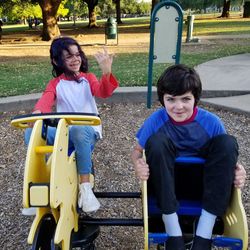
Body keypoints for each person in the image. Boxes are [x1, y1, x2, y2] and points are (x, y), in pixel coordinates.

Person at [131, 64, 246, 250]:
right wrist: (138, 164)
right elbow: (137, 151)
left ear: (195, 99)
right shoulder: (156, 120)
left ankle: (204, 234)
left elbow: (225, 156)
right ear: (163, 100)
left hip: (201, 186)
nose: (178, 107)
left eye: (186, 99)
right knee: (157, 142)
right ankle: (173, 232)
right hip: (165, 185)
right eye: (171, 99)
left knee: (227, 142)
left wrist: (239, 170)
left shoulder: (211, 122)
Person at [25, 36, 119, 213]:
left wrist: (106, 71)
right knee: (32, 133)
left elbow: (103, 92)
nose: (76, 59)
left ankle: (85, 189)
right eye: (69, 56)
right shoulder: (56, 83)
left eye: (78, 54)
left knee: (77, 128)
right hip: (64, 133)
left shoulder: (87, 78)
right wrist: (37, 113)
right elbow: (46, 99)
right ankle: (38, 189)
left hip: (86, 131)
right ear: (56, 61)